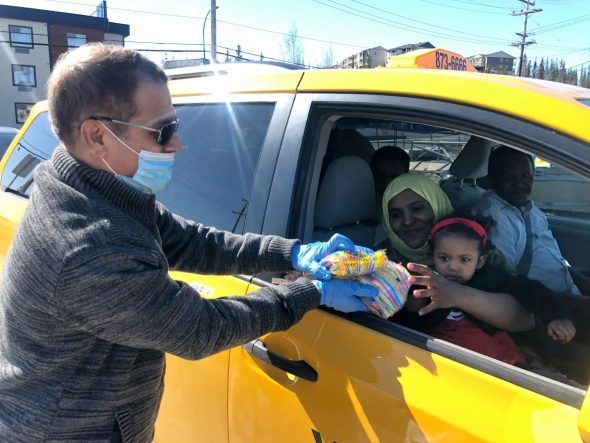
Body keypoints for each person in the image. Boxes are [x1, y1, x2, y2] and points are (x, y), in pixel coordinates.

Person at [0, 44, 378, 442]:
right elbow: (199, 329)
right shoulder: (88, 246)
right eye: (163, 131)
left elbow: (192, 242)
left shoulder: (94, 187)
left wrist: (291, 252)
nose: (177, 144)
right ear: (96, 136)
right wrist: (308, 292)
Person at [379, 172, 535, 333]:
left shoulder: (471, 243)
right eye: (396, 215)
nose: (407, 221)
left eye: (417, 208)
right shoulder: (380, 263)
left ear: (436, 204)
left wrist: (457, 294)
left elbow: (526, 319)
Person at [427, 215, 576, 365]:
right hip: (446, 362)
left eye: (465, 259)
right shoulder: (425, 282)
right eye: (444, 258)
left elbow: (531, 290)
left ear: (480, 261)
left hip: (504, 363)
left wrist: (555, 316)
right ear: (432, 257)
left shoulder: (490, 277)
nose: (453, 267)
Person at [472, 145, 589, 294]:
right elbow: (505, 284)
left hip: (569, 292)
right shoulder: (492, 217)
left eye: (526, 176)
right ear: (492, 179)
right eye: (507, 178)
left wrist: (583, 284)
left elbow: (555, 259)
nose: (519, 184)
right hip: (544, 306)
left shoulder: (530, 209)